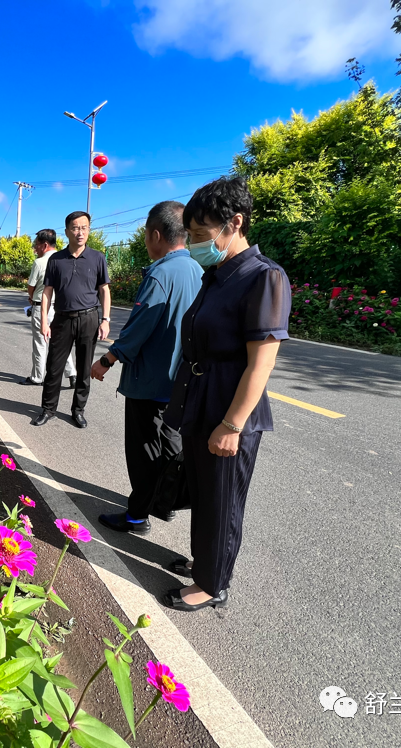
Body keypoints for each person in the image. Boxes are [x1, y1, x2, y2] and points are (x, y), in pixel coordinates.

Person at [161, 176, 291, 612]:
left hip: (228, 406)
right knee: (202, 490)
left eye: (200, 236)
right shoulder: (216, 275)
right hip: (200, 396)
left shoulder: (263, 278)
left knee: (222, 499)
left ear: (234, 224)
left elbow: (261, 364)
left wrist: (232, 424)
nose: (196, 244)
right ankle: (205, 563)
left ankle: (214, 584)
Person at [93, 202, 203, 535]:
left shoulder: (160, 272)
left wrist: (108, 360)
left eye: (145, 234)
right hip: (181, 381)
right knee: (168, 444)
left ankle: (137, 516)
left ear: (156, 234)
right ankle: (164, 502)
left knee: (144, 451)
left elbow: (140, 326)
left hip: (151, 381)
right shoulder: (200, 271)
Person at [32, 211, 110, 429]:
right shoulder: (56, 260)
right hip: (62, 320)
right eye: (75, 228)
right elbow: (47, 292)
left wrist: (105, 319)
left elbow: (104, 290)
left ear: (88, 230)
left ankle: (78, 411)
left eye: (84, 227)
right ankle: (48, 409)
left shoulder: (97, 258)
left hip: (89, 319)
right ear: (67, 231)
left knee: (84, 369)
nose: (80, 232)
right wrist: (45, 322)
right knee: (54, 367)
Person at [21, 228, 76, 387]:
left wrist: (31, 297)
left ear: (45, 245)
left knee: (40, 343)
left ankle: (37, 377)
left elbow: (31, 286)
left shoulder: (40, 262)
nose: (35, 248)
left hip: (42, 307)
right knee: (60, 342)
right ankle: (71, 374)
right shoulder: (65, 258)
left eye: (37, 245)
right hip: (61, 308)